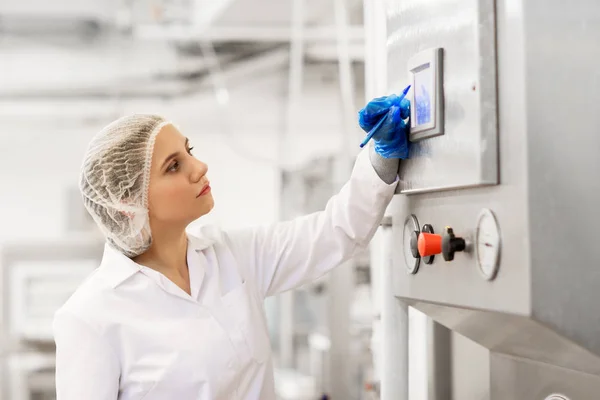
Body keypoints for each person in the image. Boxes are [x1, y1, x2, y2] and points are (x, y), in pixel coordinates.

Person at [53, 94, 411, 400]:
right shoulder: (90, 318)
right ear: (127, 202)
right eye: (174, 166)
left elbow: (338, 230)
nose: (199, 167)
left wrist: (381, 154)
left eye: (189, 150)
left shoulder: (231, 256)